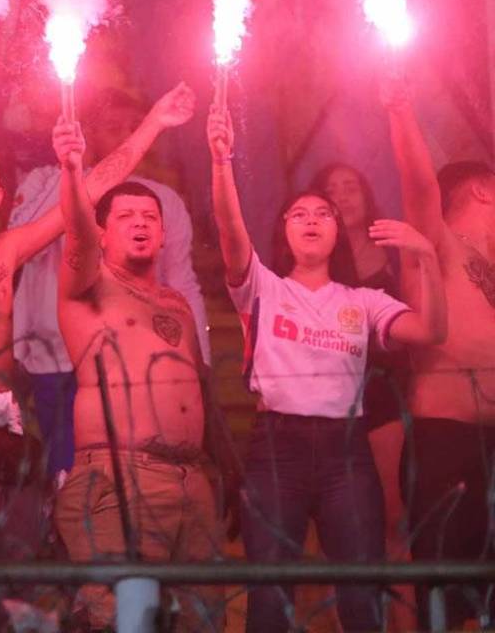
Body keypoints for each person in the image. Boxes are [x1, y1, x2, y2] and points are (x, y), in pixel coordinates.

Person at [0, 82, 197, 630]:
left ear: (1, 195)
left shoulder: (7, 250)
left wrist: (155, 123)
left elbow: (93, 187)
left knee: (19, 567)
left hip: (6, 415)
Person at [208, 99, 447, 632]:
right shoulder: (263, 287)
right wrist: (221, 161)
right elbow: (228, 227)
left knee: (361, 595)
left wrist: (426, 256)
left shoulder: (362, 300)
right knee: (270, 596)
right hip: (277, 447)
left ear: (339, 232)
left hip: (347, 451)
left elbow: (430, 332)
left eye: (324, 215)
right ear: (284, 231)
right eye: (300, 214)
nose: (313, 220)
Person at [54, 116, 228, 630]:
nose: (140, 222)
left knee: (203, 620)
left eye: (150, 216)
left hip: (191, 481)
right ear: (103, 233)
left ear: (165, 231)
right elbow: (77, 233)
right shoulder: (88, 285)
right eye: (126, 215)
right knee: (120, 621)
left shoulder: (176, 302)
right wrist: (72, 170)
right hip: (120, 476)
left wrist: (219, 471)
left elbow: (197, 391)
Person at [10, 88, 212, 480]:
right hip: (51, 352)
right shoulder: (41, 181)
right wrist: (71, 170)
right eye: (111, 127)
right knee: (67, 474)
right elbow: (22, 242)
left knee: (127, 475)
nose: (123, 135)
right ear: (88, 131)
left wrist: (198, 357)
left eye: (133, 128)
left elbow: (180, 280)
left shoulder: (163, 199)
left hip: (126, 360)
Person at [381, 79, 495, 628]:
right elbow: (420, 187)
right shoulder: (437, 242)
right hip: (444, 438)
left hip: (493, 445)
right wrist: (403, 111)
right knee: (442, 589)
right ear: (483, 191)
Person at [312, 161, 415, 621]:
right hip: (329, 396)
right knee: (341, 525)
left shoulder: (393, 249)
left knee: (395, 519)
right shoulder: (313, 255)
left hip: (386, 391)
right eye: (332, 189)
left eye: (351, 186)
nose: (343, 195)